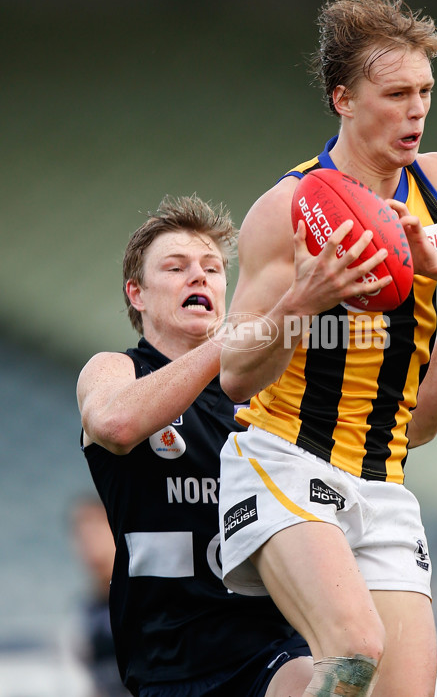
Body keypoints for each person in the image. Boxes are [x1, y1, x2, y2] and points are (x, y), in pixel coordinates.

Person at [217, 0, 437, 697]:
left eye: (426, 92)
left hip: (381, 482)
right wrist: (303, 301)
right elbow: (233, 374)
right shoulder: (288, 208)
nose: (416, 110)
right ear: (343, 98)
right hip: (282, 462)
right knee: (351, 652)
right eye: (397, 93)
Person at [76, 195, 314, 697]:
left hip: (269, 644)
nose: (200, 277)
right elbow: (115, 423)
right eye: (176, 267)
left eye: (211, 268)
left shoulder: (267, 391)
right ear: (136, 294)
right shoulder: (116, 371)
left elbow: (414, 427)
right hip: (167, 660)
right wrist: (224, 342)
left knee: (327, 684)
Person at [69, 494, 130, 697]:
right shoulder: (87, 607)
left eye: (95, 532)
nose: (89, 544)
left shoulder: (137, 595)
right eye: (81, 536)